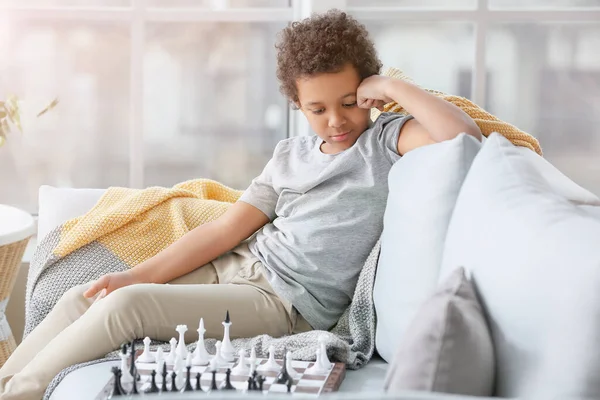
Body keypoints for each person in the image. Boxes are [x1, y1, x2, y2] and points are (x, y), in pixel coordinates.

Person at [0, 9, 481, 400]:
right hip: (238, 265)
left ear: (369, 91)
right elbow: (223, 232)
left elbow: (464, 135)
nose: (336, 120)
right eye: (318, 110)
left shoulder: (384, 141)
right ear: (298, 105)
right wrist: (134, 272)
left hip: (281, 303)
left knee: (126, 306)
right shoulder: (289, 157)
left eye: (350, 101)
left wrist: (393, 90)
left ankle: (21, 394)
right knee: (84, 296)